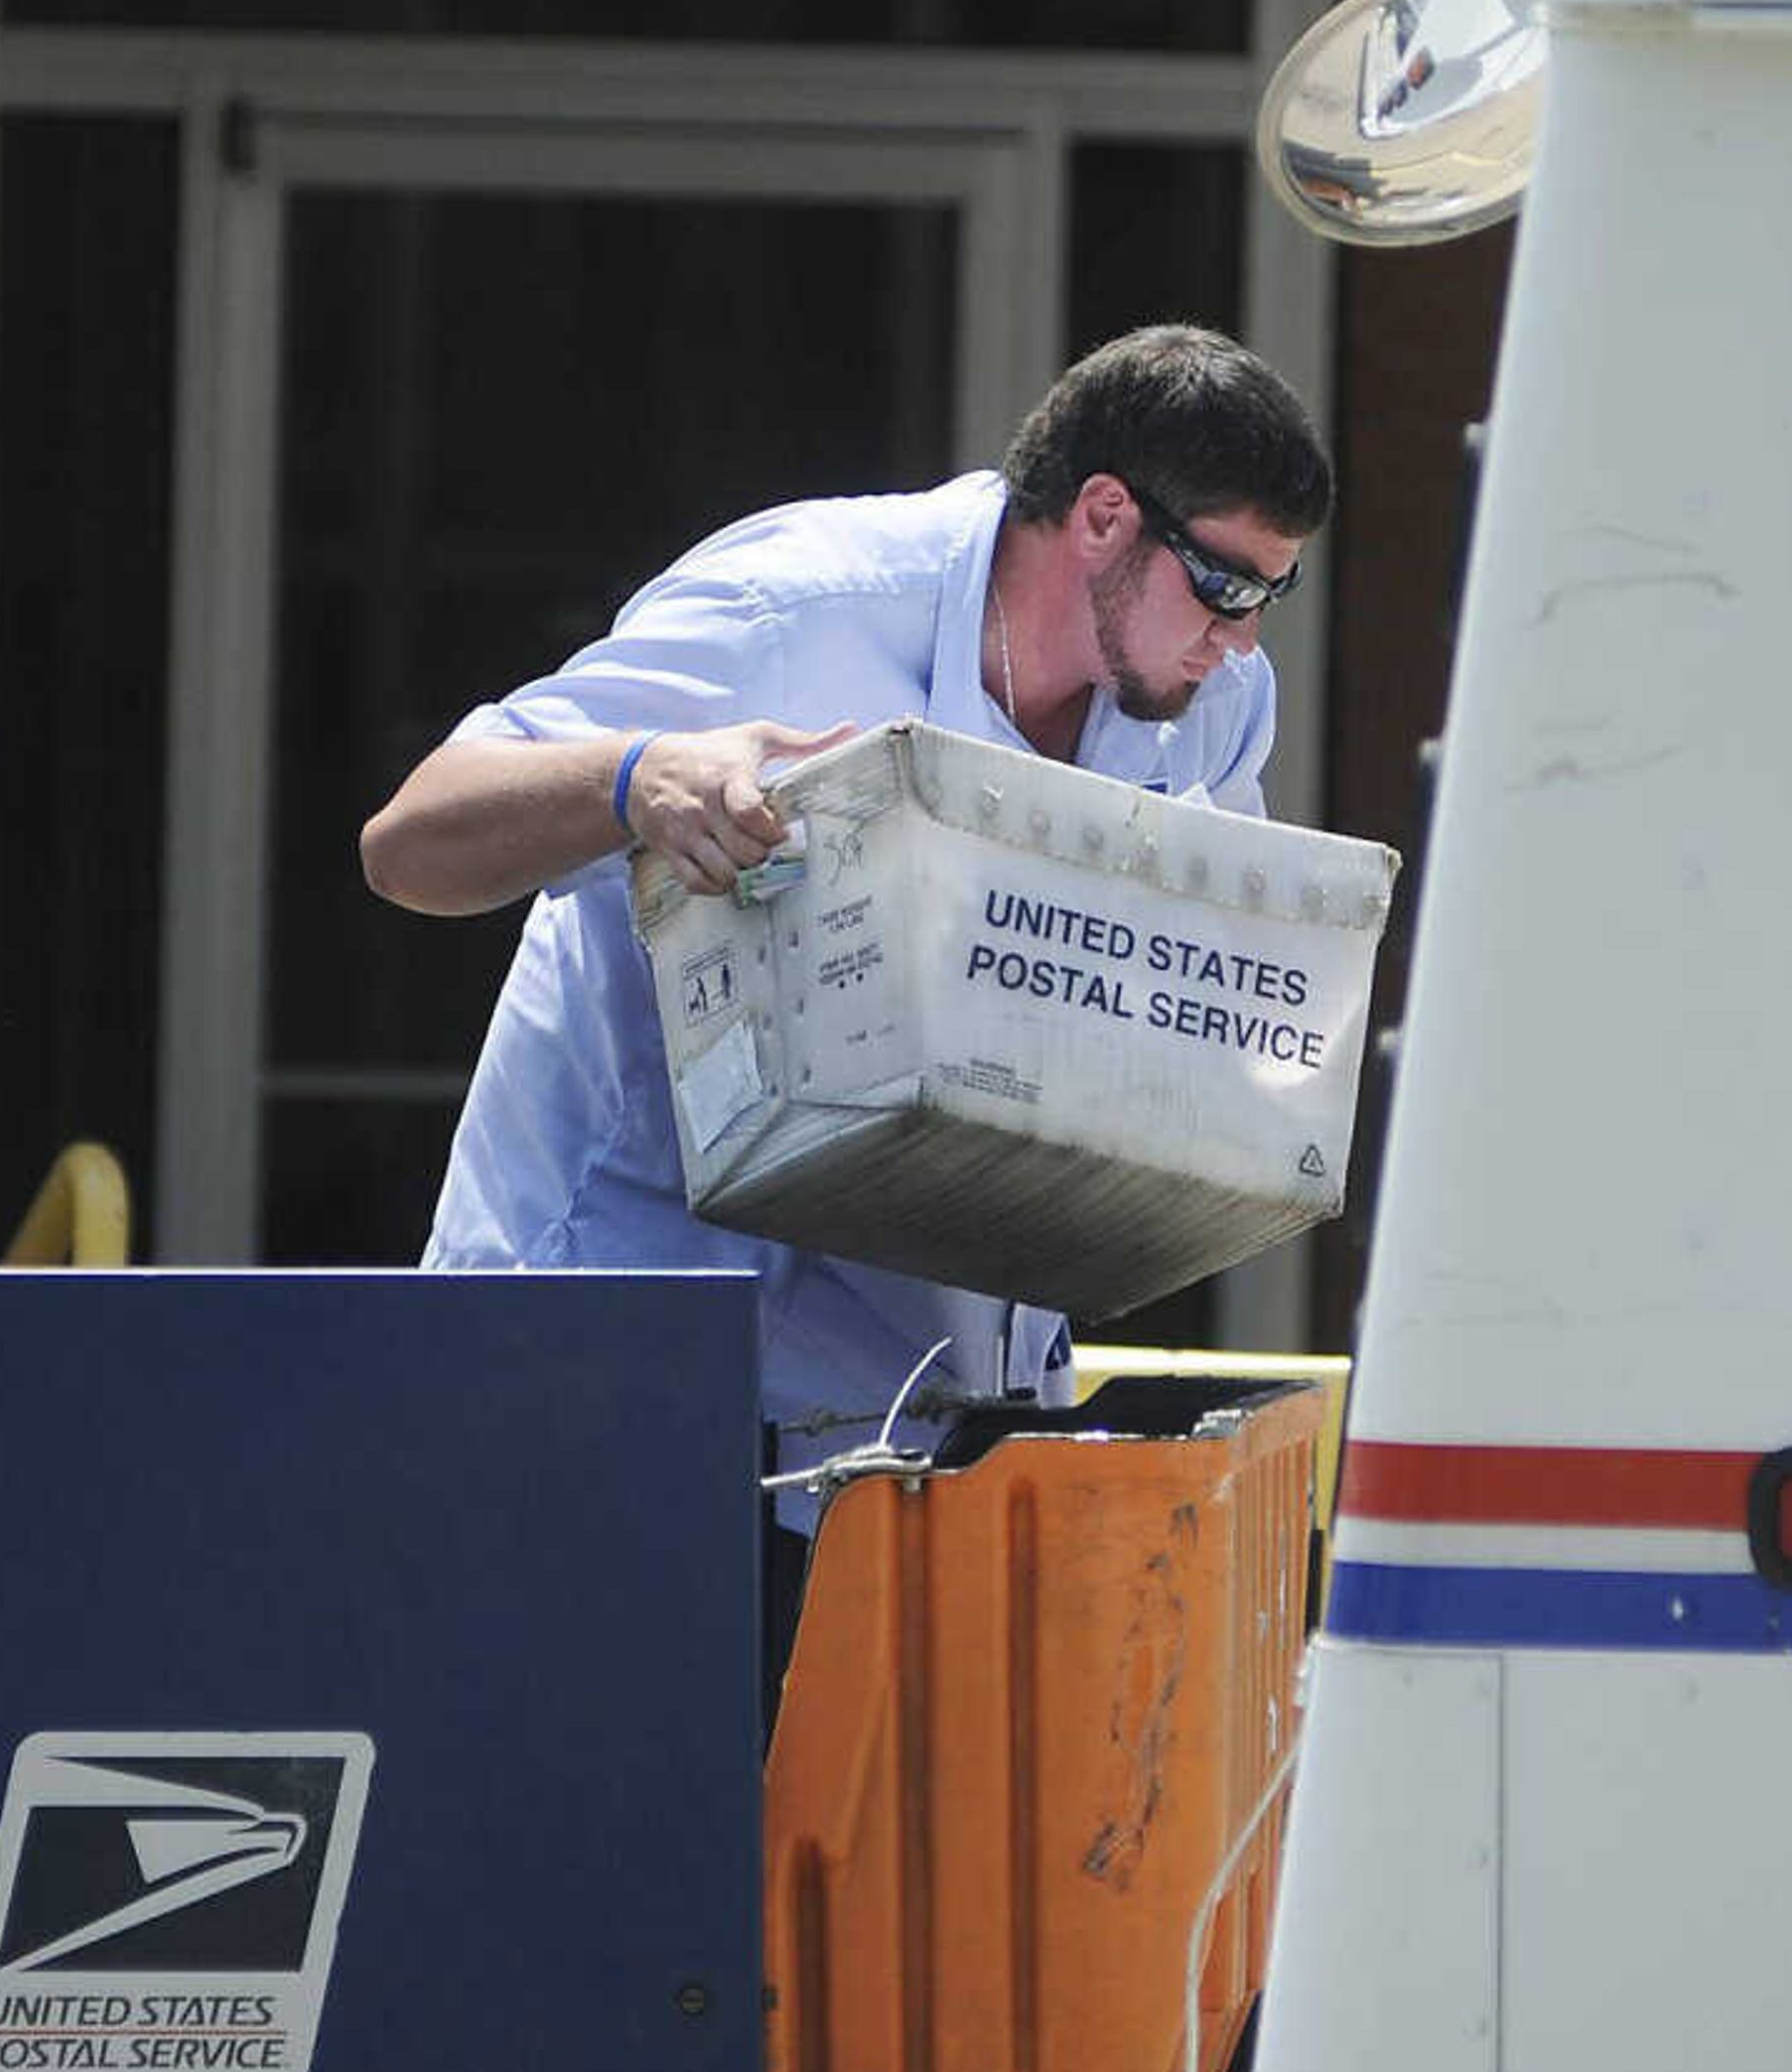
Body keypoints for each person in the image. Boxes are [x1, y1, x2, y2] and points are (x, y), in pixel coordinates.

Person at [358, 322, 1333, 1513]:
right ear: (1102, 517)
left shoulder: (1212, 695)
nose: (1242, 639)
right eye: (1226, 585)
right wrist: (642, 777)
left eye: (1271, 595)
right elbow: (411, 839)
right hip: (608, 1370)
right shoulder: (796, 609)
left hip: (924, 1411)